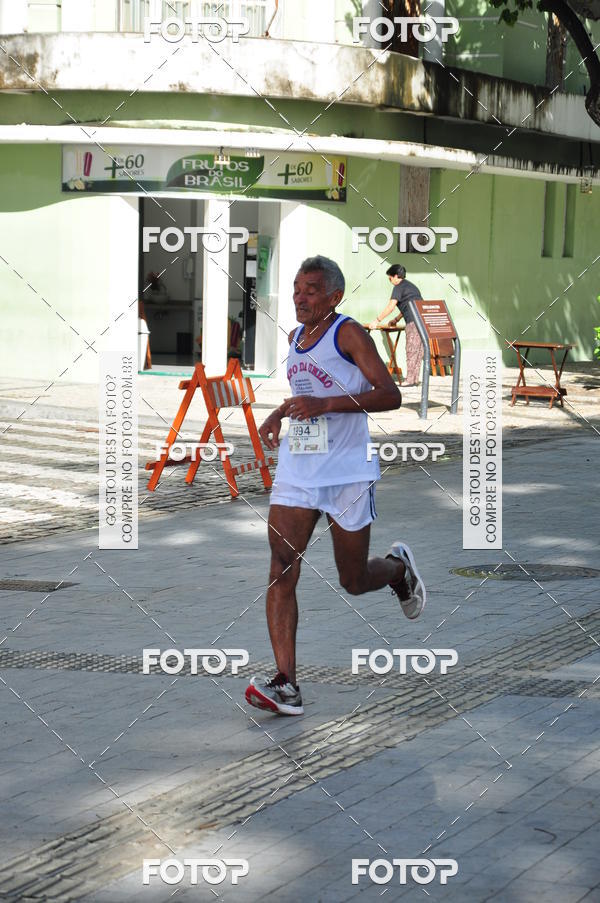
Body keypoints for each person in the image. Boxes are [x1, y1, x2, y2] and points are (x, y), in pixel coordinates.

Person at [245, 256, 426, 717]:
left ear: (334, 296)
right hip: (299, 470)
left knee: (353, 580)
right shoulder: (296, 337)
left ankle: (398, 570)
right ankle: (286, 683)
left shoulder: (349, 333)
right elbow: (306, 393)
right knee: (281, 566)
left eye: (310, 289)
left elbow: (389, 394)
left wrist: (325, 404)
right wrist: (280, 412)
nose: (299, 297)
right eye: (296, 288)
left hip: (347, 472)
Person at [368, 264, 424, 387]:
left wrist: (376, 321)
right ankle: (414, 379)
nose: (390, 281)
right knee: (418, 351)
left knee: (411, 350)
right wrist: (396, 319)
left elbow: (391, 307)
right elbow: (409, 306)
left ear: (396, 276)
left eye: (390, 278)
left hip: (413, 322)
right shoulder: (411, 286)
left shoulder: (399, 287)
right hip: (422, 320)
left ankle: (410, 380)